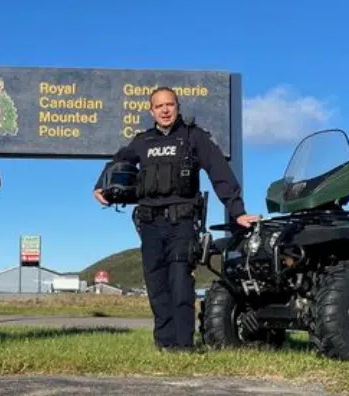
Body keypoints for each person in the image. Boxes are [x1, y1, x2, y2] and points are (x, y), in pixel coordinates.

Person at [93, 87, 259, 351]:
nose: (165, 110)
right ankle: (165, 343)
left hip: (182, 222)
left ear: (177, 107)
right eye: (159, 106)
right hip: (149, 224)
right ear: (152, 111)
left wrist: (237, 211)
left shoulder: (194, 137)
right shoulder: (142, 141)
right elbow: (118, 161)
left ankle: (183, 345)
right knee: (156, 284)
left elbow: (220, 172)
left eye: (170, 105)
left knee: (180, 281)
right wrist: (101, 185)